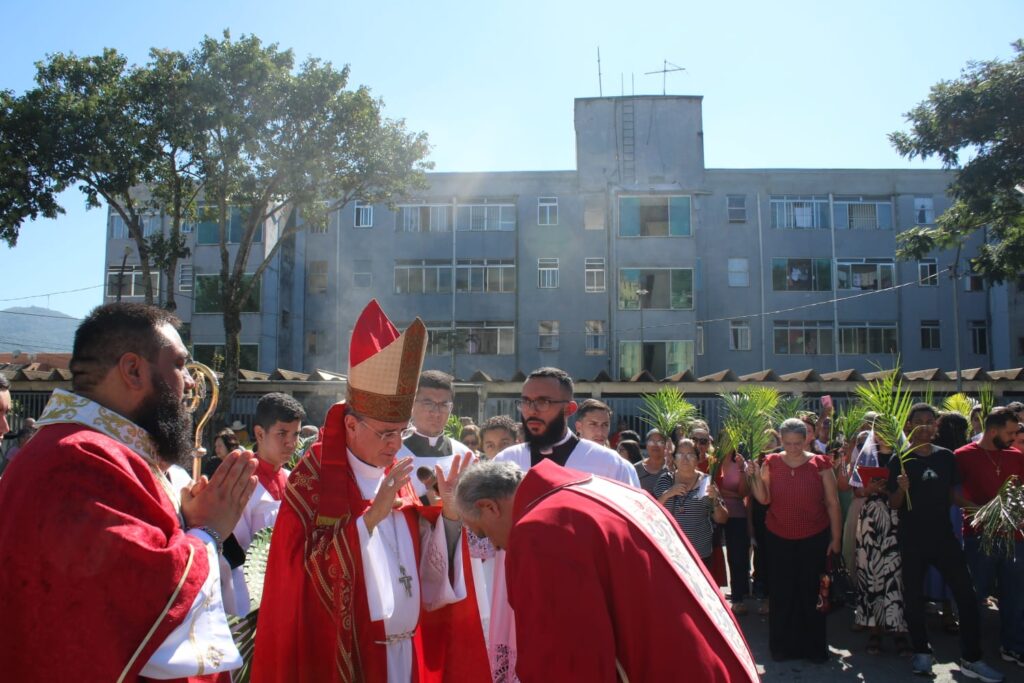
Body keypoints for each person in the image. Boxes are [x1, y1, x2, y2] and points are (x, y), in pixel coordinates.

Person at [0, 302, 258, 681]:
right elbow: (136, 600)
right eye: (179, 365)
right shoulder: (79, 458)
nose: (190, 382)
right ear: (133, 370)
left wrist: (184, 521)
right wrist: (208, 531)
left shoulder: (93, 449)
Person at [253, 300, 489, 682]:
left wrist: (448, 517)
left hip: (407, 654)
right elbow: (300, 585)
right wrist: (369, 520)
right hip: (354, 660)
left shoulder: (395, 477)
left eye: (400, 432)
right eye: (385, 433)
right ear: (350, 426)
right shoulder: (313, 481)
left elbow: (428, 580)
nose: (397, 444)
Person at [455, 460, 759, 683]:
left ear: (489, 507)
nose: (494, 546)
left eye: (481, 533)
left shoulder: (541, 530)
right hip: (712, 664)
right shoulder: (608, 490)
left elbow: (566, 664)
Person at [489, 366, 639, 680]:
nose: (531, 410)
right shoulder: (504, 463)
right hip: (518, 599)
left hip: (585, 602)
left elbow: (632, 541)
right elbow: (481, 542)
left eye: (542, 402)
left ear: (569, 409)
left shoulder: (608, 465)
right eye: (526, 401)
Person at [891, 403, 1003, 681]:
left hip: (944, 538)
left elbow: (953, 495)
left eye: (931, 421)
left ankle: (972, 657)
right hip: (912, 539)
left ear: (936, 426)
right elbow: (894, 504)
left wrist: (979, 509)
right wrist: (901, 489)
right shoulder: (900, 459)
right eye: (919, 421)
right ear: (908, 425)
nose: (925, 426)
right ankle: (922, 652)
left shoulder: (946, 458)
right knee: (914, 598)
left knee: (966, 595)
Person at [746, 418, 842, 663]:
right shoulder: (771, 462)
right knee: (782, 593)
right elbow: (763, 499)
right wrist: (755, 477)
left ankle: (814, 648)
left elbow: (833, 503)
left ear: (806, 439)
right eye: (787, 443)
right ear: (781, 440)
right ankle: (782, 648)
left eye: (797, 443)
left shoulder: (820, 464)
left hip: (814, 536)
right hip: (778, 537)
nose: (792, 448)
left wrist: (836, 538)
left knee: (811, 592)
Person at [221, 392, 305, 616]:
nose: (291, 443)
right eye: (282, 433)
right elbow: (235, 548)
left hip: (291, 591)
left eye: (296, 434)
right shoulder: (241, 481)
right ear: (260, 433)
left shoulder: (294, 480)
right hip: (250, 596)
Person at [956, 406, 1024, 667]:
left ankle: (1013, 646)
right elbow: (953, 493)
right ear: (992, 430)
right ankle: (972, 650)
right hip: (978, 535)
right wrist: (979, 510)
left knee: (1015, 594)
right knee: (976, 595)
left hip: (1014, 536)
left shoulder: (1016, 457)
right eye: (1009, 433)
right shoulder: (963, 456)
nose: (1012, 438)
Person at [852, 428, 909, 655]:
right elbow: (856, 491)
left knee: (896, 574)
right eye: (880, 430)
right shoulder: (866, 454)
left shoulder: (904, 456)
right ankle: (873, 629)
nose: (883, 435)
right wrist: (870, 489)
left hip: (898, 519)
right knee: (871, 572)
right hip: (871, 520)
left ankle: (899, 630)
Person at [401, 370, 475, 500]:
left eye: (444, 405)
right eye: (428, 404)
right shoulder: (393, 453)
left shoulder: (464, 455)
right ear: (412, 405)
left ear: (451, 408)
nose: (436, 413)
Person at [654, 438, 728, 568]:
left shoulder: (706, 482)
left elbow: (722, 519)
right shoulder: (666, 480)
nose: (684, 459)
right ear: (674, 458)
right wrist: (668, 494)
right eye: (680, 454)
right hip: (671, 552)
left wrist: (715, 499)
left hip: (700, 553)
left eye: (690, 455)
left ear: (698, 459)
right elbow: (653, 512)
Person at [635, 428, 670, 495]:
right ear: (646, 445)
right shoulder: (636, 468)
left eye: (660, 442)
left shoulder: (672, 468)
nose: (655, 445)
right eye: (651, 441)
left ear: (666, 446)